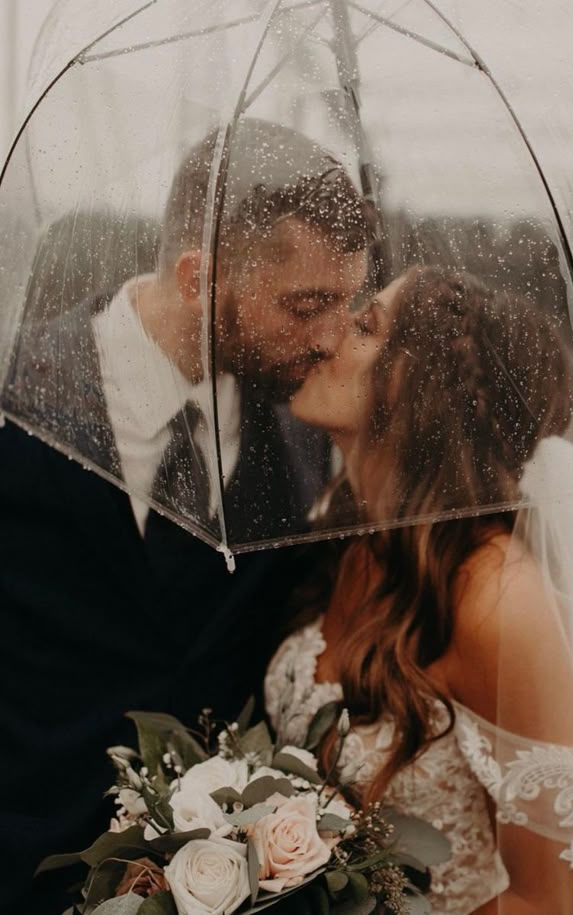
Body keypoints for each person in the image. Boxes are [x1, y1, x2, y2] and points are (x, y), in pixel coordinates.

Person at [0, 119, 371, 914]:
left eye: (347, 302)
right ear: (200, 277)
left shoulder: (307, 428)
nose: (333, 337)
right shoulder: (14, 396)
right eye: (308, 304)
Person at [265, 266, 573, 913]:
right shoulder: (353, 542)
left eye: (365, 326)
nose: (327, 337)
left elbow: (551, 900)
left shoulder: (500, 600)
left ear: (419, 382)